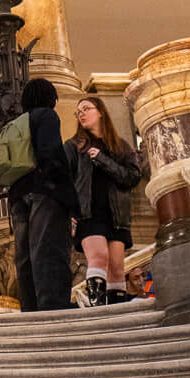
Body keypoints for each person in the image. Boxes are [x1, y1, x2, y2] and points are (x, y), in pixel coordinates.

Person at [8, 76, 79, 312]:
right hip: (44, 192)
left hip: (18, 197)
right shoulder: (47, 116)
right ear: (50, 98)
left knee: (25, 256)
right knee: (47, 251)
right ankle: (53, 308)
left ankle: (31, 310)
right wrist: (67, 196)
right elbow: (50, 154)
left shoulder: (15, 123)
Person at [65, 94, 144, 306]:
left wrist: (101, 159)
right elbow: (65, 181)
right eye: (78, 111)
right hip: (88, 214)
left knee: (117, 269)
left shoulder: (121, 146)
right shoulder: (74, 146)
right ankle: (97, 313)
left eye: (86, 108)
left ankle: (116, 316)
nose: (81, 114)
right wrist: (70, 213)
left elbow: (132, 177)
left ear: (100, 112)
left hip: (116, 215)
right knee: (98, 258)